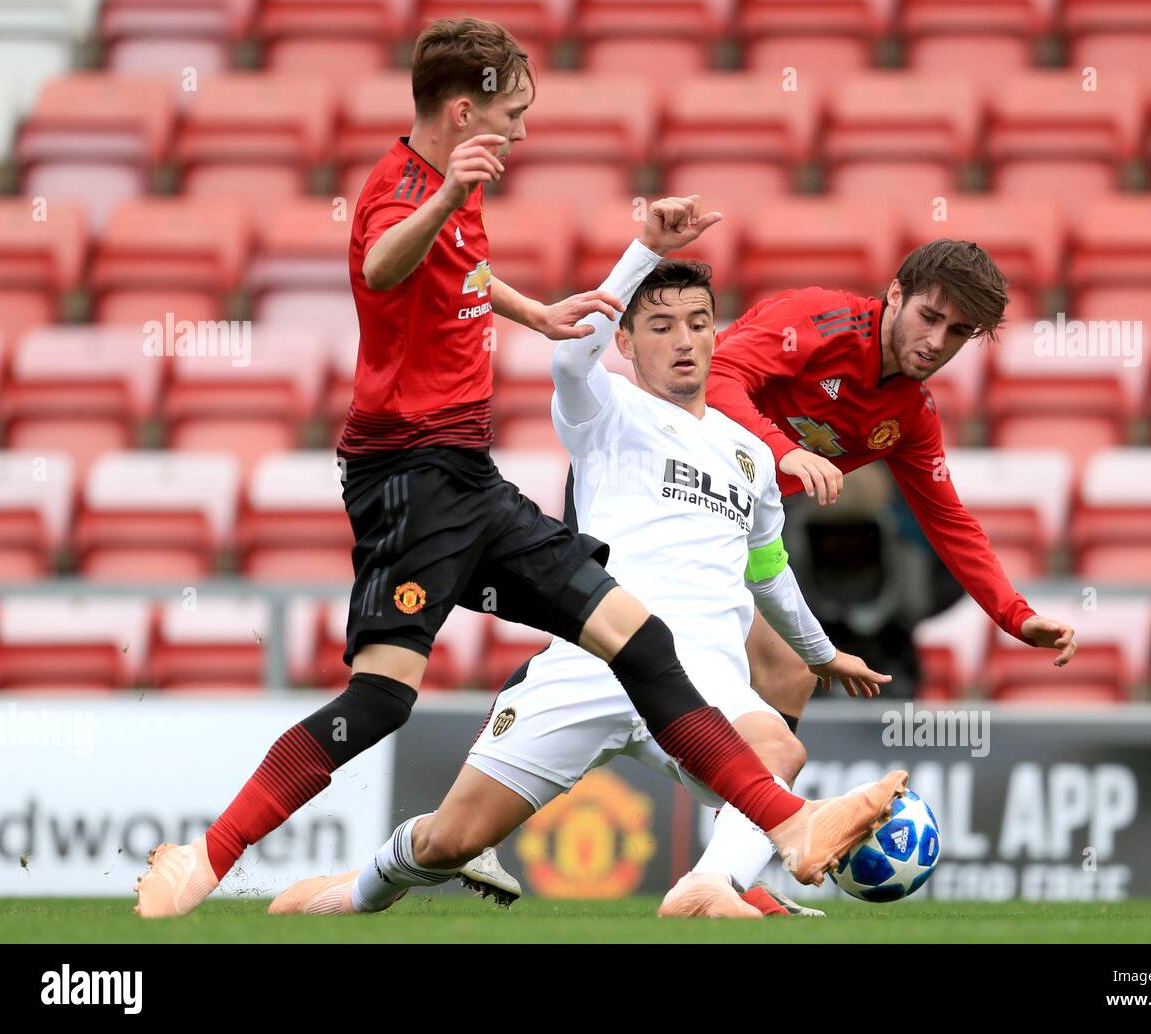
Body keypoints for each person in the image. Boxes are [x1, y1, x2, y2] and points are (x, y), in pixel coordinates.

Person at [132, 20, 903, 916]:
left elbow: (456, 271)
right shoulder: (402, 189)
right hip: (408, 481)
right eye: (513, 113)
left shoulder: (456, 191)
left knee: (639, 639)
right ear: (465, 113)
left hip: (469, 476)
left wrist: (529, 310)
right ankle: (208, 858)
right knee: (381, 700)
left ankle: (786, 825)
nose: (523, 131)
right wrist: (445, 198)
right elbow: (382, 268)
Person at [268, 197, 907, 920]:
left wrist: (821, 655)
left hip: (701, 676)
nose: (685, 340)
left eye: (699, 324)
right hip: (593, 662)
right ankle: (350, 897)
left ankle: (706, 888)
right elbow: (571, 354)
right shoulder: (605, 412)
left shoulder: (752, 454)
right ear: (627, 343)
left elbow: (768, 573)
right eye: (660, 326)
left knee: (777, 750)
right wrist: (642, 248)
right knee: (450, 842)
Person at [706, 241, 1079, 730]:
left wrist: (1016, 616)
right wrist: (784, 449)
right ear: (897, 294)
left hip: (734, 530)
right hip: (662, 490)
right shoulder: (818, 318)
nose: (936, 341)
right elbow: (716, 374)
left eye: (958, 332)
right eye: (930, 317)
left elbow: (949, 523)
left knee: (787, 678)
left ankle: (746, 804)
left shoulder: (910, 416)